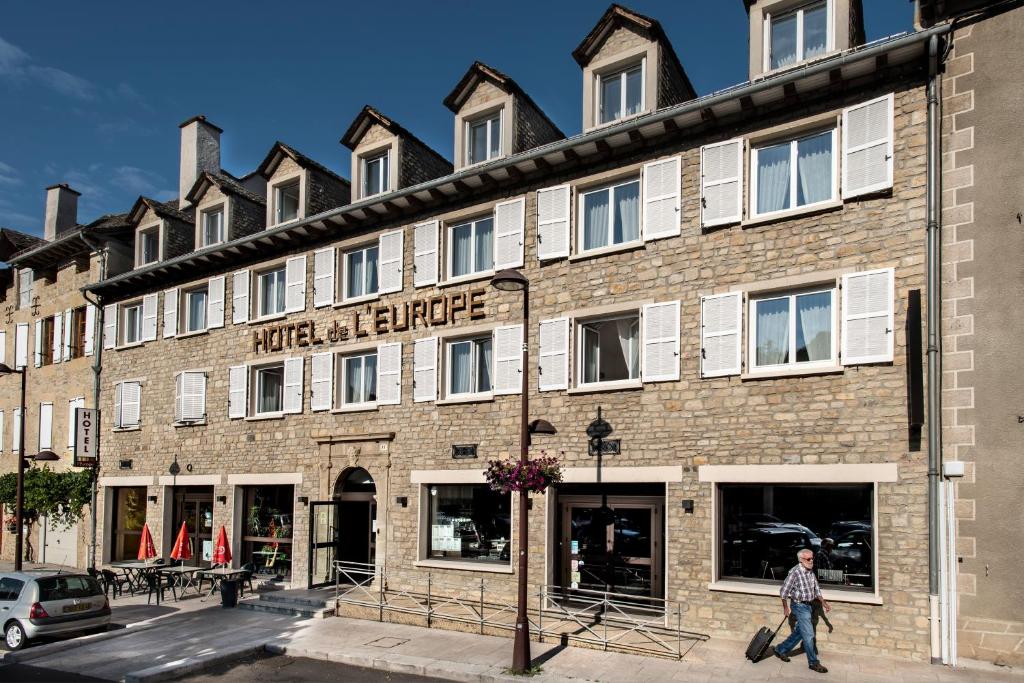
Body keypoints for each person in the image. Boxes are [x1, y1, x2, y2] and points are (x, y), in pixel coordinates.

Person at [772, 548, 831, 674]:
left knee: (800, 632)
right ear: (801, 560)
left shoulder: (810, 571)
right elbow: (783, 592)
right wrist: (785, 607)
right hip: (799, 606)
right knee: (809, 635)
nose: (811, 561)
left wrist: (824, 603)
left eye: (812, 558)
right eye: (808, 559)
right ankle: (813, 663)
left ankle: (780, 649)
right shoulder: (795, 572)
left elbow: (816, 590)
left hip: (808, 606)